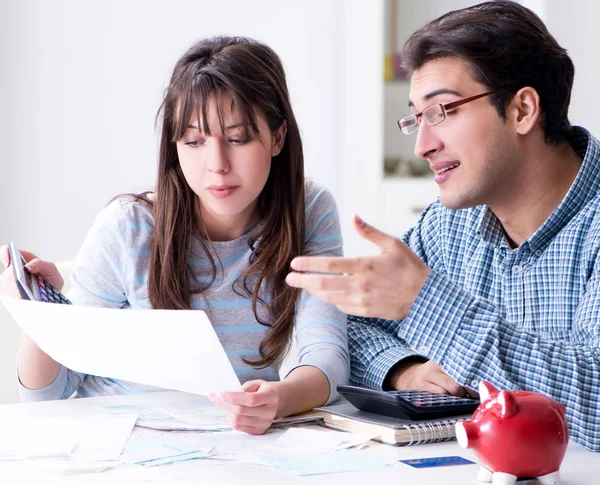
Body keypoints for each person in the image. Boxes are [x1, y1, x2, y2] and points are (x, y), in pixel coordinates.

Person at [286, 1, 600, 451]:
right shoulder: (451, 222)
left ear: (522, 110)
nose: (422, 146)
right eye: (416, 118)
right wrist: (405, 368)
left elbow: (594, 405)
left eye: (443, 112)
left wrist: (422, 302)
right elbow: (350, 325)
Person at [0, 35, 349, 435]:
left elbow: (326, 349)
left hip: (233, 444)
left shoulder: (308, 211)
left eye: (237, 138)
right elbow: (48, 397)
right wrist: (43, 319)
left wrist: (280, 398)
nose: (216, 164)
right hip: (120, 441)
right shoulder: (128, 227)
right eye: (194, 141)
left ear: (277, 137)